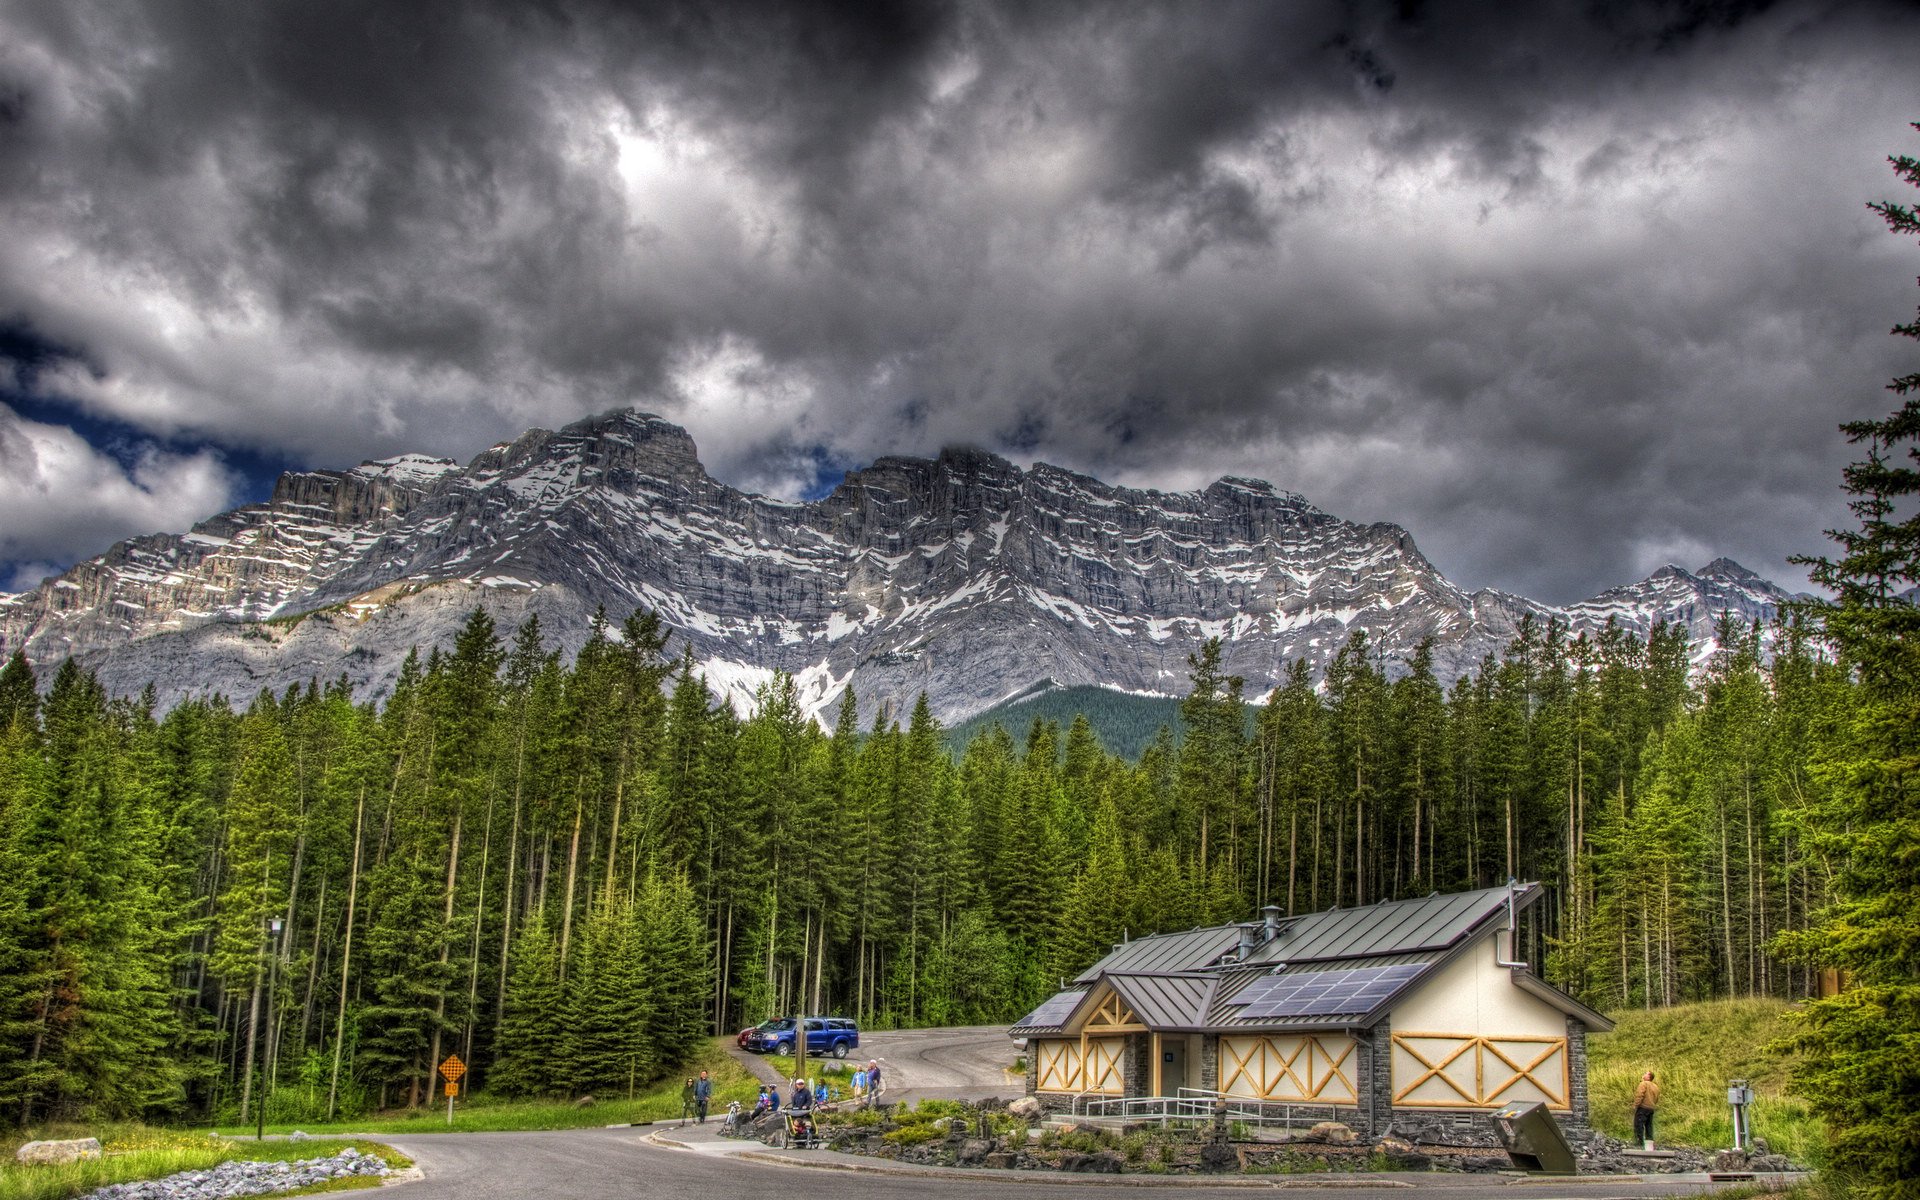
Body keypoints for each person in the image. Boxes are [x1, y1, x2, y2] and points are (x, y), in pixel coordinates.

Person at [1632, 1071, 1661, 1146]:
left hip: (1643, 1107)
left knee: (1639, 1124)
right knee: (1649, 1126)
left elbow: (1640, 1095)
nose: (1643, 1074)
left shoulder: (1643, 1083)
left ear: (1648, 1077)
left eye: (1645, 1073)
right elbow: (1656, 1098)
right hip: (1651, 1108)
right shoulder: (1655, 1086)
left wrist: (1635, 1105)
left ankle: (1640, 1142)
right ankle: (1649, 1143)